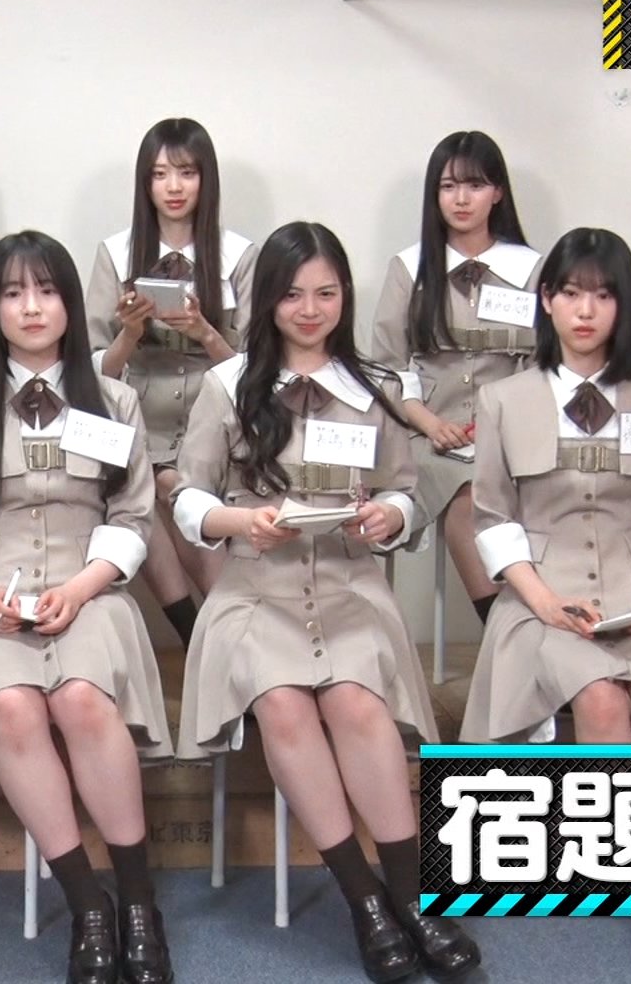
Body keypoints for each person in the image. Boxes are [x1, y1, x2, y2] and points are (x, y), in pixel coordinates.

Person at [172, 221, 481, 983]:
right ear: (266, 301)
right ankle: (364, 901)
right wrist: (242, 521)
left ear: (345, 296)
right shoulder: (228, 384)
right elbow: (186, 497)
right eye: (292, 295)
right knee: (282, 705)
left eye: (326, 293)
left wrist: (388, 517)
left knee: (357, 705)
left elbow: (405, 488)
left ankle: (413, 899)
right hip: (256, 590)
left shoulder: (374, 386)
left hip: (347, 584)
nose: (309, 310)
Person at [456, 227, 631, 969]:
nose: (586, 310)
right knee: (602, 699)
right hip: (539, 599)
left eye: (604, 295)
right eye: (572, 293)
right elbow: (492, 518)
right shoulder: (505, 399)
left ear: (624, 306)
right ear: (546, 300)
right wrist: (544, 602)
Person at [0, 231, 176, 984]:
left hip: (89, 588)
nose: (32, 307)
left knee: (84, 700)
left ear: (71, 304)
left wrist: (83, 586)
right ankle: (87, 904)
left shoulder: (114, 401)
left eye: (48, 291)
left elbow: (132, 517)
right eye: (13, 292)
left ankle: (138, 902)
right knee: (14, 706)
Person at [84, 117, 259, 644]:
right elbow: (93, 370)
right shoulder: (116, 254)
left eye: (186, 172)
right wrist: (131, 334)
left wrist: (205, 332)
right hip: (139, 420)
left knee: (168, 487)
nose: (174, 187)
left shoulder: (239, 256)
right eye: (160, 175)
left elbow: (257, 370)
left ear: (207, 179)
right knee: (150, 486)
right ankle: (214, 632)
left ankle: (218, 631)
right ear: (145, 184)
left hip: (218, 418)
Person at [370, 130, 541, 626]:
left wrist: (498, 423)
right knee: (469, 499)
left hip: (510, 431)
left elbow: (543, 366)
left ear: (498, 192)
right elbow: (387, 366)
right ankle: (508, 632)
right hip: (426, 437)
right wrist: (427, 422)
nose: (461, 199)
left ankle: (531, 630)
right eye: (448, 187)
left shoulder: (531, 269)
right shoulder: (409, 268)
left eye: (475, 185)